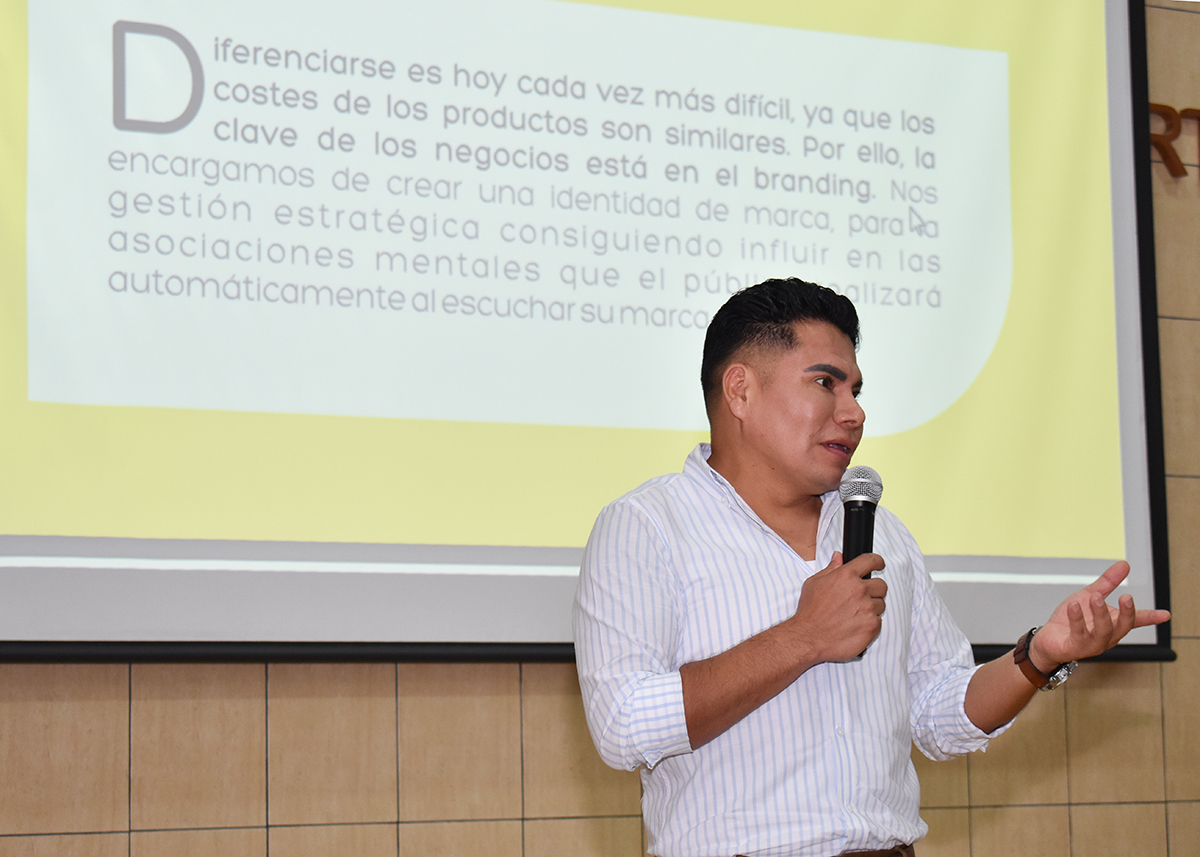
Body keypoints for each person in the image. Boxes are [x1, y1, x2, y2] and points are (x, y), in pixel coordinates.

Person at [572, 278, 1169, 857]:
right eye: (825, 383)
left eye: (856, 390)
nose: (854, 413)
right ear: (740, 391)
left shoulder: (885, 534)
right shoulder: (647, 527)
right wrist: (803, 637)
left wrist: (1039, 656)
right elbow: (624, 724)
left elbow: (937, 712)